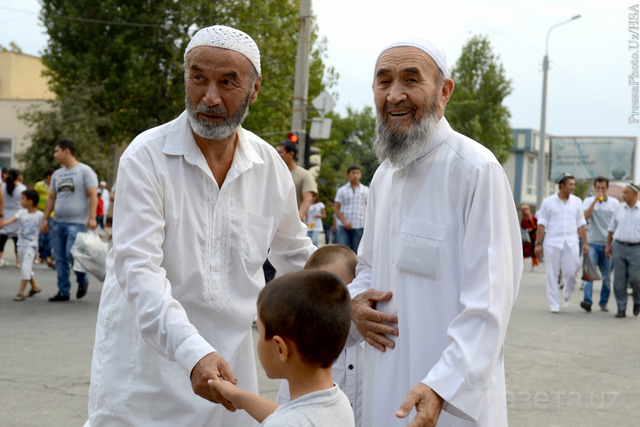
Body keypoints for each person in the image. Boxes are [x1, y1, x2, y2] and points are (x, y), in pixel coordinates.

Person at [85, 25, 315, 427]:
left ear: (254, 89)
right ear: (185, 78)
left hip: (228, 374)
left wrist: (349, 296)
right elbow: (138, 271)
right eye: (198, 78)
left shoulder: (268, 166)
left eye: (228, 82)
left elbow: (296, 254)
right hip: (145, 373)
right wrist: (192, 352)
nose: (210, 97)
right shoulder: (147, 157)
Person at [349, 37, 522, 426]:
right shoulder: (383, 176)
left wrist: (442, 385)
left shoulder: (476, 170)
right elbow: (369, 270)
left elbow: (490, 302)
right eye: (384, 81)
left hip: (449, 399)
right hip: (384, 384)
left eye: (411, 80)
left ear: (443, 91)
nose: (395, 95)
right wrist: (354, 305)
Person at [209, 270, 354, 427]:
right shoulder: (339, 401)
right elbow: (287, 416)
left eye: (260, 331)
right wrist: (240, 397)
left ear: (281, 349)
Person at [276, 244, 365, 425]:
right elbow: (285, 406)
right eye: (315, 296)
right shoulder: (305, 352)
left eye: (334, 293)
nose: (324, 305)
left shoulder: (372, 344)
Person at [41, 139, 98, 302]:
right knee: (59, 258)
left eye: (56, 151)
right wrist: (45, 219)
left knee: (72, 254)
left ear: (66, 151)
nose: (55, 155)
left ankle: (82, 280)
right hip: (58, 222)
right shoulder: (57, 174)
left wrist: (92, 218)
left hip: (77, 222)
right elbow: (51, 197)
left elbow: (93, 195)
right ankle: (63, 291)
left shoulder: (85, 171)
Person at [535, 173, 589, 312]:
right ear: (562, 185)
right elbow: (542, 224)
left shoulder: (577, 202)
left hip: (571, 241)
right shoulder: (548, 202)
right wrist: (538, 243)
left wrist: (585, 243)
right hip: (552, 241)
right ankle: (554, 304)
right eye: (570, 184)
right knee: (552, 274)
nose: (573, 187)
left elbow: (581, 224)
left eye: (573, 184)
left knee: (572, 271)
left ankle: (567, 293)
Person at [580, 177, 619, 312]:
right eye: (598, 188)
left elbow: (616, 224)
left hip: (608, 245)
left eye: (603, 188)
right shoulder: (588, 201)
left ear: (607, 189)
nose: (600, 190)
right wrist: (595, 201)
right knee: (589, 273)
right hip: (592, 243)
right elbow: (584, 218)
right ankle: (587, 301)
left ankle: (603, 302)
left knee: (607, 277)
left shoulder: (614, 204)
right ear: (594, 188)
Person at [1, 189, 44, 301]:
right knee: (26, 268)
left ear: (31, 201)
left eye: (23, 199)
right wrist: (2, 223)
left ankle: (21, 292)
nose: (21, 201)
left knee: (25, 267)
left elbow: (45, 229)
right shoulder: (21, 213)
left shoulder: (40, 215)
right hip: (21, 245)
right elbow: (11, 220)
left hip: (31, 245)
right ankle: (35, 286)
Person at [605, 183, 640, 318]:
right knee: (619, 280)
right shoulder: (619, 209)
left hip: (637, 248)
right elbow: (611, 229)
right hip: (619, 246)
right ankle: (621, 307)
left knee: (635, 278)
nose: (623, 195)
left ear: (635, 195)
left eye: (626, 193)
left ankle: (638, 300)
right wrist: (608, 245)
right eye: (623, 192)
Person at [276, 139, 318, 220]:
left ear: (291, 154)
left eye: (280, 152)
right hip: (273, 223)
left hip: (292, 225)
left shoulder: (305, 175)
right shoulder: (275, 173)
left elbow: (307, 199)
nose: (277, 155)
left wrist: (298, 218)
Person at [334, 165, 368, 252]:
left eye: (357, 173)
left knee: (357, 252)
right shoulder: (341, 190)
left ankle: (354, 266)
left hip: (360, 225)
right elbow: (336, 208)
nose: (355, 175)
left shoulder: (366, 190)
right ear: (348, 175)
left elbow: (370, 209)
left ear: (360, 175)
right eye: (353, 173)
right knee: (342, 251)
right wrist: (344, 222)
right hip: (344, 226)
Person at [0, 169, 27, 268]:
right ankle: (18, 262)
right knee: (17, 241)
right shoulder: (22, 188)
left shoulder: (2, 186)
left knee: (2, 240)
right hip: (17, 215)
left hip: (4, 215)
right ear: (17, 177)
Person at [34, 168, 56, 269]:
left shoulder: (54, 185)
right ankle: (41, 256)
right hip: (40, 213)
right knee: (41, 236)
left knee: (49, 236)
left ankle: (48, 256)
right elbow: (34, 197)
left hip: (51, 214)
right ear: (48, 176)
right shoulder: (39, 185)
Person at [521, 204, 538, 271]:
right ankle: (521, 264)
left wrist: (532, 229)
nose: (526, 211)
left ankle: (533, 266)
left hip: (532, 238)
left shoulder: (533, 218)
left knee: (533, 253)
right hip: (525, 238)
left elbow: (536, 226)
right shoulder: (523, 219)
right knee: (523, 252)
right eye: (524, 210)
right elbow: (522, 226)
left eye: (527, 209)